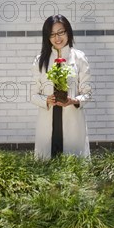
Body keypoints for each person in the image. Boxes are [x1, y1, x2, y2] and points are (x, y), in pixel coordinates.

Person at [31, 14, 92, 159]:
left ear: (68, 32)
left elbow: (87, 93)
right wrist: (47, 99)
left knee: (73, 164)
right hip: (48, 120)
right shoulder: (40, 61)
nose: (57, 38)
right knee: (47, 165)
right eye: (52, 34)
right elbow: (33, 95)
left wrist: (74, 101)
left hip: (72, 120)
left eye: (61, 32)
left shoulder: (79, 58)